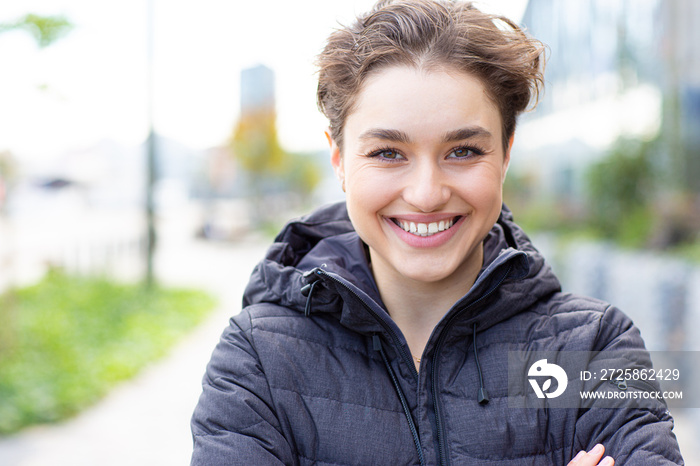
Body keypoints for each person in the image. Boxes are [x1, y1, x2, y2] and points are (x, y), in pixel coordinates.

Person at [190, 1, 685, 464]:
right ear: (339, 160)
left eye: (464, 151)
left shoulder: (595, 346)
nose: (426, 194)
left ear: (506, 153)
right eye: (388, 153)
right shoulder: (257, 360)